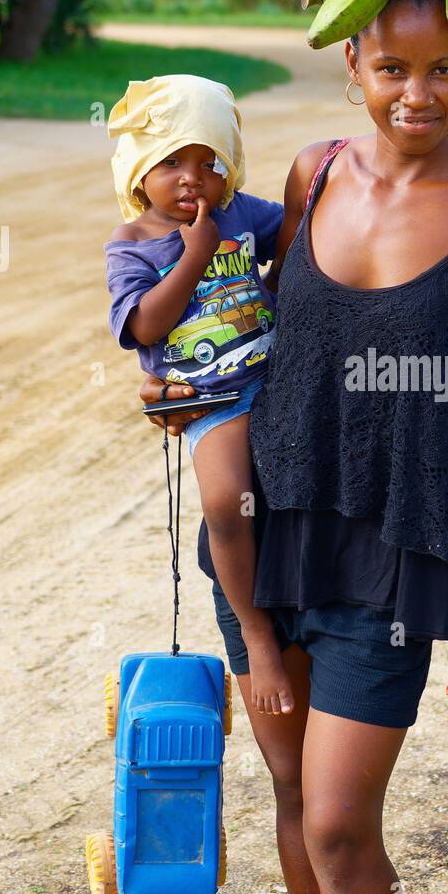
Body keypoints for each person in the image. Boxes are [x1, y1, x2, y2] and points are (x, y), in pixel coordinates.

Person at [140, 0, 448, 894]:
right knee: (288, 799)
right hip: (271, 528)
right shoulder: (311, 174)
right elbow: (254, 326)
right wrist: (173, 382)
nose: (416, 95)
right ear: (350, 66)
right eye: (391, 68)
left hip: (396, 547)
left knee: (334, 821)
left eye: (444, 71)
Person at [104, 74, 293, 714]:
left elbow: (299, 231)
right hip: (212, 400)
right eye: (172, 162)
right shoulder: (131, 245)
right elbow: (145, 326)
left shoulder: (242, 212)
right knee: (222, 505)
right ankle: (259, 636)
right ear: (138, 170)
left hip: (277, 380)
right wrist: (195, 256)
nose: (192, 178)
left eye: (209, 162)